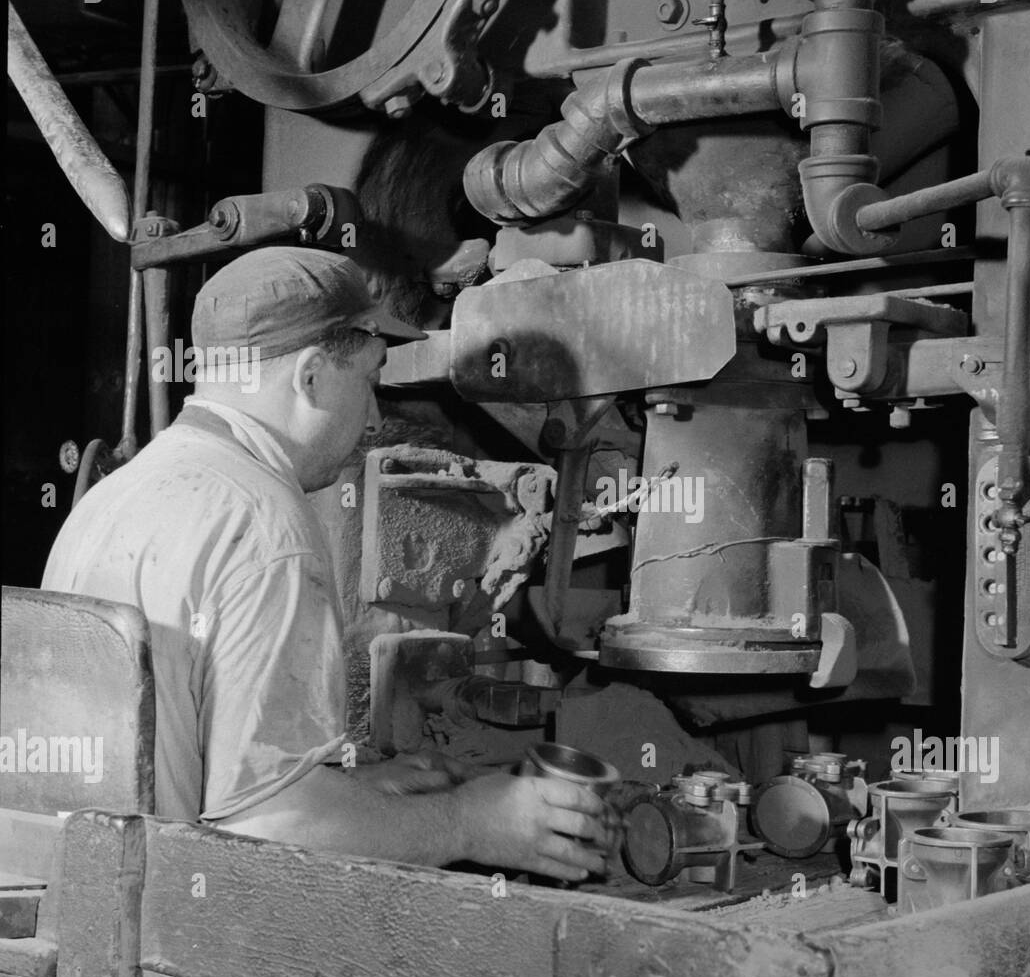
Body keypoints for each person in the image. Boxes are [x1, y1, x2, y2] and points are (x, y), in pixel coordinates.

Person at [43, 246, 614, 881]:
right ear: (310, 376)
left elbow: (189, 757)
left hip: (82, 898)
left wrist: (351, 793)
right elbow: (272, 828)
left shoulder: (113, 497)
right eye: (369, 381)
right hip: (166, 933)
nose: (373, 417)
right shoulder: (264, 524)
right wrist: (473, 822)